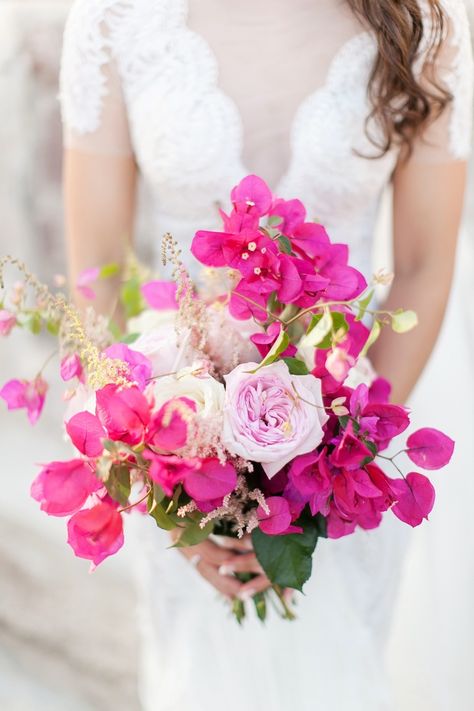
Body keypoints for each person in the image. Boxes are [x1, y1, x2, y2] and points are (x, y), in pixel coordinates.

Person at [60, 1, 473, 709]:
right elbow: (96, 263)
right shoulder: (113, 20)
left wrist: (342, 459)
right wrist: (168, 490)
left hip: (352, 444)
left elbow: (424, 261)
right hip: (175, 432)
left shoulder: (422, 24)